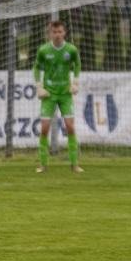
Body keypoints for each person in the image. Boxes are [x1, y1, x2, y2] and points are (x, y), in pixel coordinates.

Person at [33, 20, 83, 173]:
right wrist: (39, 86)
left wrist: (75, 81)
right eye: (54, 32)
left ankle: (74, 164)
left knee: (70, 127)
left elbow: (77, 64)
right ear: (50, 33)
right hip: (49, 94)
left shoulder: (71, 49)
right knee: (44, 129)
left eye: (60, 32)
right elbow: (37, 67)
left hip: (65, 93)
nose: (57, 35)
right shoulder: (43, 50)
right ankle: (43, 164)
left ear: (64, 33)